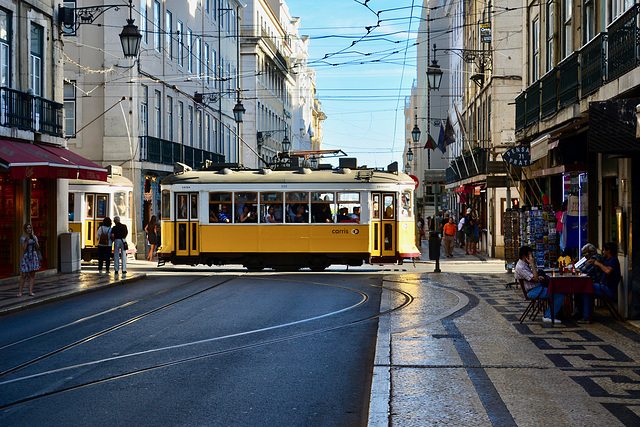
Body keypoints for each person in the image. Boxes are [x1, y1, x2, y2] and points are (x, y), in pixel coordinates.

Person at [514, 245, 566, 323]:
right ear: (525, 256)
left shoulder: (524, 265)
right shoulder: (521, 267)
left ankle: (555, 313)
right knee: (560, 293)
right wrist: (533, 264)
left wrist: (538, 277)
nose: (532, 258)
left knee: (557, 289)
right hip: (533, 291)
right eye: (531, 256)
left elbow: (533, 277)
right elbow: (534, 278)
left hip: (537, 287)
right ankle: (548, 316)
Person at [581, 242, 621, 321]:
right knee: (586, 287)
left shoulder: (613, 260)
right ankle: (585, 313)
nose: (603, 252)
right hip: (602, 285)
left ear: (608, 251)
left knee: (586, 288)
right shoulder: (606, 260)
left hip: (607, 288)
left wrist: (598, 264)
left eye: (604, 250)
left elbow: (608, 270)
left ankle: (587, 316)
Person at [17, 223, 40, 297]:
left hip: (33, 256)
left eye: (30, 228)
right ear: (25, 230)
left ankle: (30, 291)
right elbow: (23, 249)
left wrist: (35, 240)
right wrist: (26, 241)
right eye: (27, 228)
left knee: (32, 274)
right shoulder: (23, 238)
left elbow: (38, 247)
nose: (29, 229)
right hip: (26, 256)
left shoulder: (34, 237)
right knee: (24, 275)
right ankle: (20, 292)